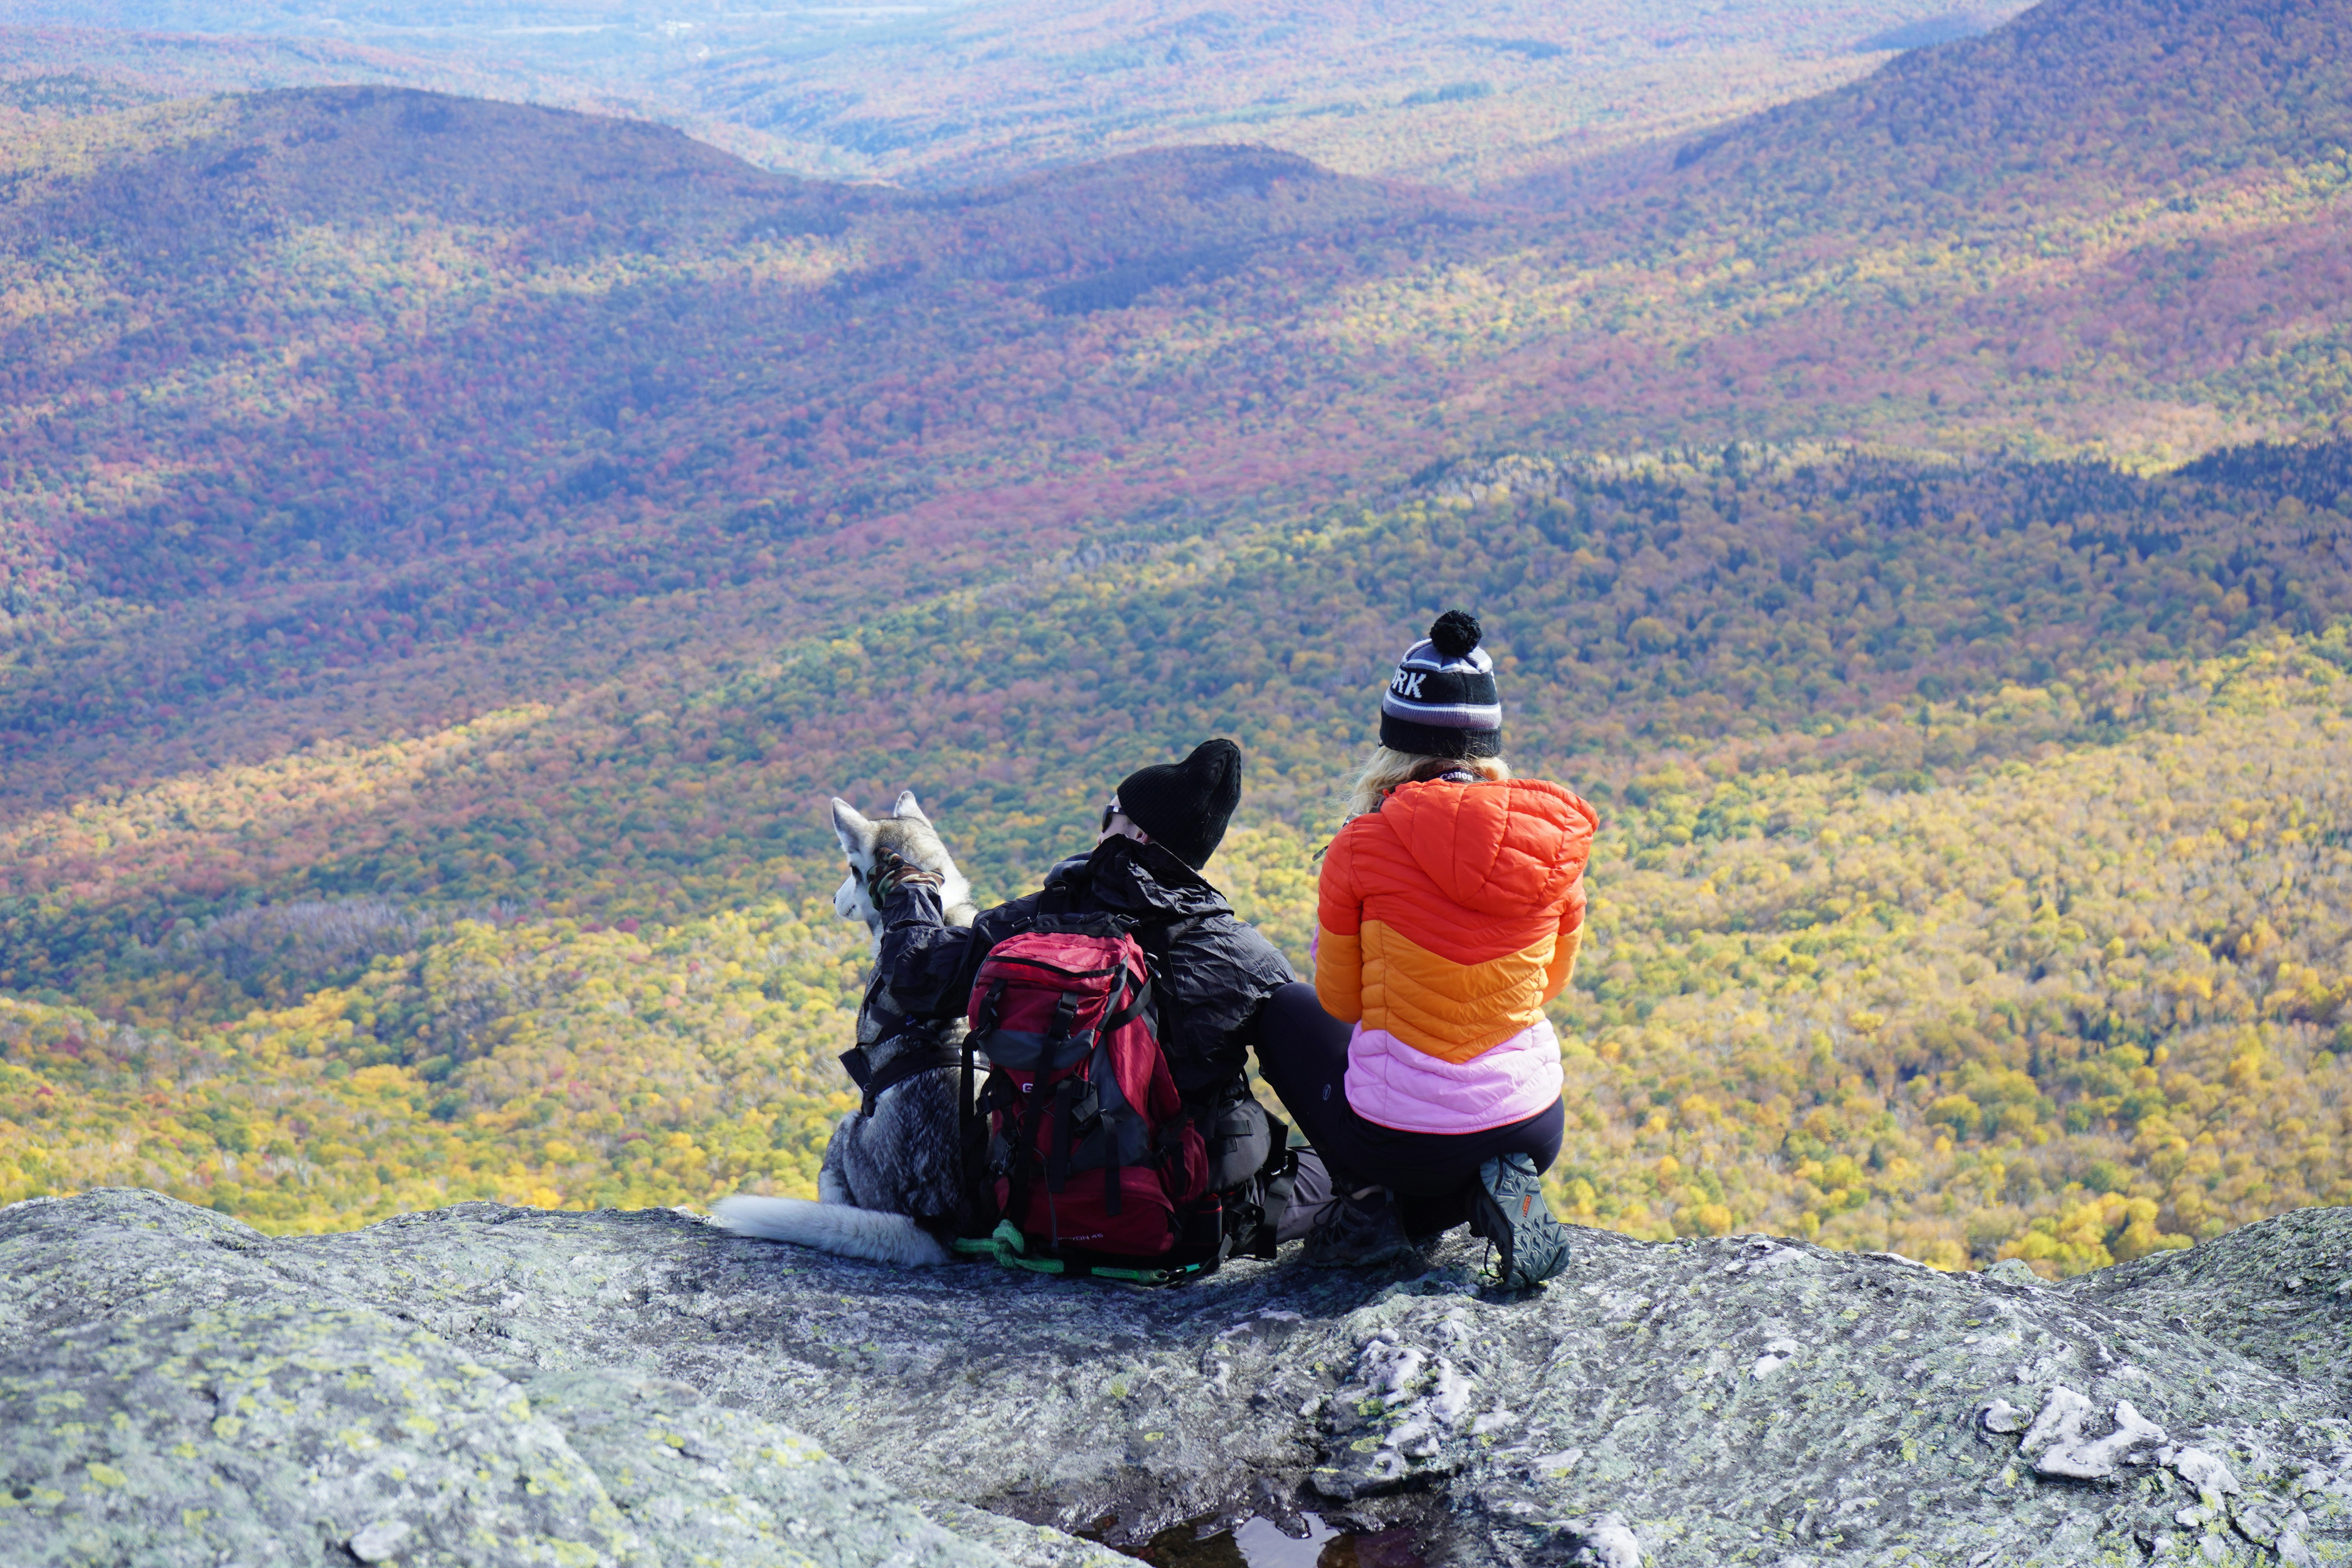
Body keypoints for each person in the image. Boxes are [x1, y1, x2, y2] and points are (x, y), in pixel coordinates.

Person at [1253, 610, 1597, 1288]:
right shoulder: (1553, 842)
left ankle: (1369, 1211)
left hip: (1400, 1143)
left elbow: (1342, 1001)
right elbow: (1550, 983)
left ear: (1395, 745)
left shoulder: (1364, 845)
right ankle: (1485, 1191)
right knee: (1447, 1135)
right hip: (1532, 1124)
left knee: (1283, 1013)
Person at [861, 738, 1298, 1252]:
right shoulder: (1246, 957)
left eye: (1110, 812)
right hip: (1191, 1221)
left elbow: (916, 978)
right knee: (1309, 1171)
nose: (1101, 825)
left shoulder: (1038, 920)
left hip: (1031, 1203)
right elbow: (1312, 1071)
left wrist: (911, 889)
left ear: (1136, 833)